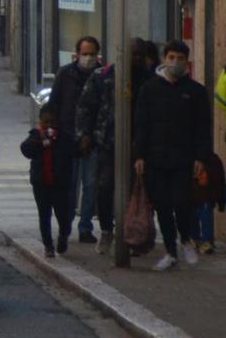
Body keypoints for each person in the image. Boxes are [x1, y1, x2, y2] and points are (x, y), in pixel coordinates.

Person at [133, 40, 214, 271]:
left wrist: (201, 157)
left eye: (180, 58)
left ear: (186, 61)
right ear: (164, 59)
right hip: (155, 158)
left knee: (182, 202)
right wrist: (139, 155)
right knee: (163, 205)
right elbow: (142, 124)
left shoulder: (195, 92)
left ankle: (186, 238)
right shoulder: (150, 89)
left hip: (183, 158)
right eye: (171, 58)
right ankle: (170, 251)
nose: (175, 63)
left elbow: (202, 127)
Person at [75, 37, 158, 255]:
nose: (137, 59)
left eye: (141, 55)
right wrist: (85, 135)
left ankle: (135, 235)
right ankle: (106, 230)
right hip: (108, 143)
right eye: (133, 54)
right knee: (104, 187)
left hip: (140, 147)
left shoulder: (149, 81)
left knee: (137, 192)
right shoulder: (103, 77)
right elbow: (86, 106)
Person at [49, 36, 102, 246]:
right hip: (68, 139)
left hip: (91, 140)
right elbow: (55, 103)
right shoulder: (66, 74)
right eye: (84, 53)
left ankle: (85, 227)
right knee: (69, 186)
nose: (88, 58)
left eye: (92, 54)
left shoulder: (101, 76)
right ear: (77, 54)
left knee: (90, 186)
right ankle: (65, 225)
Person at [21, 103, 73, 257]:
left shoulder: (64, 137)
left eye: (52, 123)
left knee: (63, 214)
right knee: (44, 215)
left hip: (59, 184)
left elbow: (74, 149)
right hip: (41, 183)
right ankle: (48, 245)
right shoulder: (36, 136)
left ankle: (63, 236)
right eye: (45, 123)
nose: (49, 126)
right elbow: (26, 149)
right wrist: (41, 142)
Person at [191, 153, 225, 254]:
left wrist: (220, 200)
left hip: (205, 197)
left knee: (204, 218)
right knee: (196, 219)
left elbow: (219, 181)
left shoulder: (212, 160)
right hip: (195, 197)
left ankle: (205, 242)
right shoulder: (189, 157)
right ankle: (200, 241)